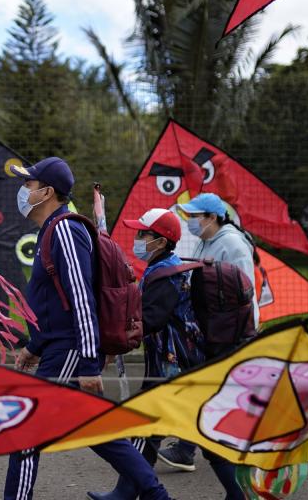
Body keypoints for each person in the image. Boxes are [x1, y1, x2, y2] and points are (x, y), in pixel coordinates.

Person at [5, 157, 170, 500]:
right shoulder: (52, 229)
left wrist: (89, 361)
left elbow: (81, 298)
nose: (23, 191)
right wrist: (34, 347)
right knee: (95, 428)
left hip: (68, 351)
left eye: (28, 185)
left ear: (46, 192)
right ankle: (157, 496)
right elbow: (55, 304)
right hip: (59, 348)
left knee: (26, 432)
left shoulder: (64, 229)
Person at [88, 208, 243, 500]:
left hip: (173, 366)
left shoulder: (164, 273)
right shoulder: (166, 266)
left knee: (156, 428)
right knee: (157, 431)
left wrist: (117, 340)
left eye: (143, 234)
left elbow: (151, 318)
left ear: (160, 241)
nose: (137, 239)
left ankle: (237, 493)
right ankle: (236, 493)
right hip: (178, 363)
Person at [158, 192, 256, 474]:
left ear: (212, 217)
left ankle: (190, 450)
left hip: (230, 333)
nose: (189, 221)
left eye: (194, 216)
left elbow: (245, 292)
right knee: (207, 390)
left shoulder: (232, 245)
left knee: (209, 390)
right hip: (212, 330)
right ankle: (193, 450)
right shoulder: (207, 242)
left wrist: (243, 336)